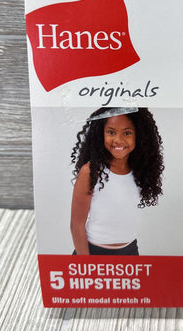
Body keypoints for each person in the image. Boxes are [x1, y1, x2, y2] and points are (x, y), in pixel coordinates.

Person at [70, 107, 164, 255]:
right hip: (93, 251)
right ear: (100, 134)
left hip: (130, 250)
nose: (118, 140)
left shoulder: (141, 171)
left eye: (127, 133)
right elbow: (76, 225)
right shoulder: (91, 172)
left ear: (139, 135)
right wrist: (85, 263)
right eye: (111, 132)